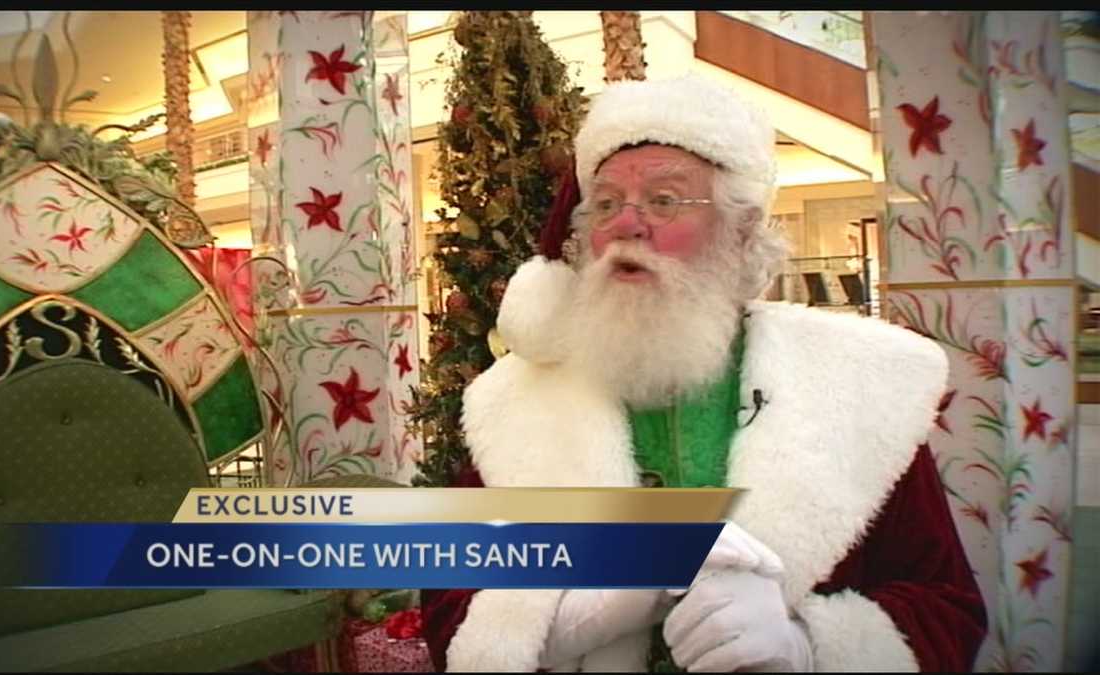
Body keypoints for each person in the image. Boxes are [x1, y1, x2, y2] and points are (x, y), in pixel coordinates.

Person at [421, 74, 987, 672]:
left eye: (665, 200)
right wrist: (563, 620)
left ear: (741, 230)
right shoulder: (515, 404)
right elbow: (449, 607)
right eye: (606, 204)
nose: (627, 225)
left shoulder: (856, 384)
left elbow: (946, 607)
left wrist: (806, 646)